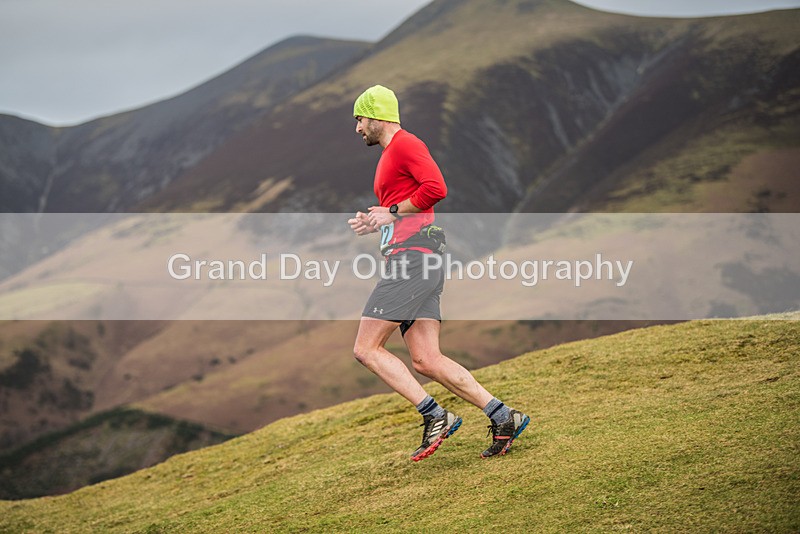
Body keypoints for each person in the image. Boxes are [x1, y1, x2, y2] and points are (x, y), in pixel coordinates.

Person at [348, 85, 530, 461]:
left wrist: (394, 212)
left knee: (366, 349)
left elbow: (437, 188)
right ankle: (503, 416)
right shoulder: (391, 155)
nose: (357, 128)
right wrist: (378, 221)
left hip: (412, 262)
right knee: (426, 360)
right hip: (422, 258)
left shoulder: (405, 145)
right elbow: (406, 205)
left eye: (360, 119)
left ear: (377, 116)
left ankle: (435, 416)